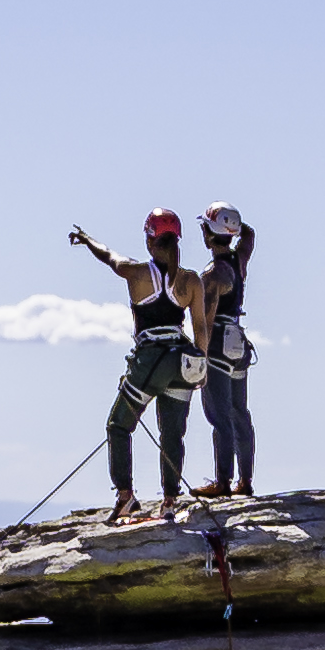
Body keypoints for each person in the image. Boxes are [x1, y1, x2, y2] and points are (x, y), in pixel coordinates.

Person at [69, 210, 200, 513]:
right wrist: (201, 364)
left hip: (151, 360)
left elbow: (109, 256)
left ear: (150, 239)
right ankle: (170, 500)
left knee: (119, 425)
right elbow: (201, 326)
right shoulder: (190, 280)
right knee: (172, 433)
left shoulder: (137, 273)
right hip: (183, 359)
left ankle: (125, 495)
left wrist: (87, 239)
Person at [194, 203, 259, 495]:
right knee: (240, 413)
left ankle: (222, 481)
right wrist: (235, 224)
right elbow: (250, 234)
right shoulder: (239, 260)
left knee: (219, 415)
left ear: (208, 233)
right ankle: (244, 480)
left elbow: (205, 320)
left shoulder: (212, 274)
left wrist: (200, 357)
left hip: (218, 343)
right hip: (238, 342)